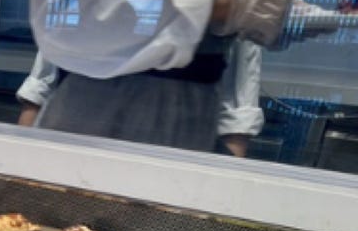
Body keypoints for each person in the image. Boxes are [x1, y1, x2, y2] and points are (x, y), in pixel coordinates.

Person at [24, 0, 351, 153]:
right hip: (88, 115)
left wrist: (336, 18)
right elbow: (57, 27)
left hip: (188, 124)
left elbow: (244, 63)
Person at [17, 42, 264, 157]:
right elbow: (40, 85)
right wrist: (21, 162)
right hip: (75, 122)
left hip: (175, 132)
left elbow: (238, 115)